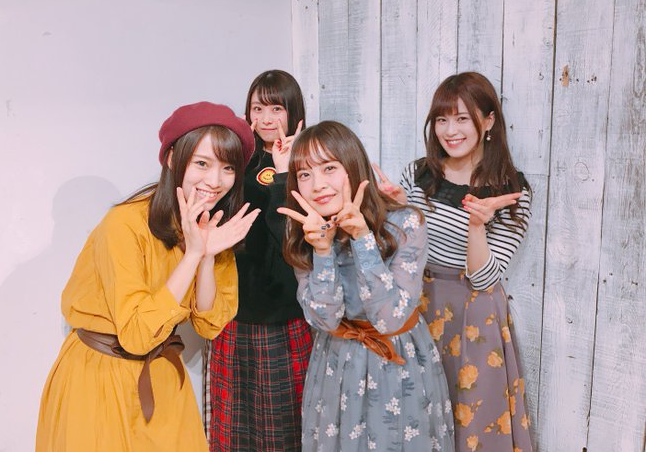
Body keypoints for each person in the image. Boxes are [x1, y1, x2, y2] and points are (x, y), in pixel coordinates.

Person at [35, 102, 260, 452]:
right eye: (202, 163)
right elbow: (137, 335)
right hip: (100, 379)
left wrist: (206, 256)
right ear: (172, 159)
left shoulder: (212, 227)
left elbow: (210, 324)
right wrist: (193, 254)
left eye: (228, 168)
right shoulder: (124, 225)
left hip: (163, 378)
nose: (215, 181)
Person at [375, 72, 534, 452]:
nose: (450, 130)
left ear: (489, 121)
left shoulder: (511, 189)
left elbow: (485, 278)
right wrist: (396, 211)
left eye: (462, 118)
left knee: (473, 420)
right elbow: (396, 251)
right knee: (414, 413)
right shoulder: (418, 174)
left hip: (473, 314)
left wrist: (477, 226)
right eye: (442, 119)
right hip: (417, 302)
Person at [279, 121, 455, 452]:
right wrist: (322, 251)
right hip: (336, 361)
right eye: (304, 174)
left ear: (353, 166)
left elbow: (389, 319)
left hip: (397, 358)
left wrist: (362, 239)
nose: (317, 185)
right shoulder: (303, 233)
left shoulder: (405, 222)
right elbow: (325, 320)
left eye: (329, 168)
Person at [206, 70, 313, 452]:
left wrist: (286, 170)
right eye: (257, 108)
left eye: (276, 108)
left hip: (285, 311)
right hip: (235, 307)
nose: (266, 118)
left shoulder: (309, 161)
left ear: (293, 111)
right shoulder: (236, 160)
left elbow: (292, 235)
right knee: (233, 428)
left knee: (286, 428)